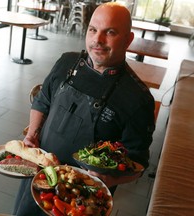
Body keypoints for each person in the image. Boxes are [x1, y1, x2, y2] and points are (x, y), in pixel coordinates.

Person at [13, 2, 155, 215]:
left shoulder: (138, 99)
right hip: (39, 176)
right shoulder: (66, 62)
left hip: (81, 198)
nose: (97, 40)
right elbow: (42, 101)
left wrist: (111, 178)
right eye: (93, 30)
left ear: (128, 39)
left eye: (110, 32)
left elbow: (138, 163)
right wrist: (32, 135)